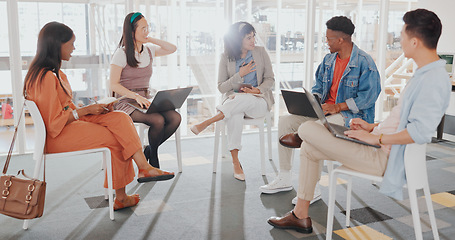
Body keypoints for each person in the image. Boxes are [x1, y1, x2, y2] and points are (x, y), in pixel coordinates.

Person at [268, 8, 450, 234]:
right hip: (379, 144)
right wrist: (372, 126)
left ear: (414, 42)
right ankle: (300, 216)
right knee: (308, 149)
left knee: (306, 129)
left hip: (382, 157)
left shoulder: (433, 80)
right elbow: (404, 121)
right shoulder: (425, 75)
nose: (398, 39)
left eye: (401, 34)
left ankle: (301, 137)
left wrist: (376, 138)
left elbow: (420, 133)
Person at [23, 22, 175, 211]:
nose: (74, 49)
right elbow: (54, 123)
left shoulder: (52, 73)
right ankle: (122, 195)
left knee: (119, 118)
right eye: (71, 44)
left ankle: (144, 167)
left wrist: (91, 108)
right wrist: (84, 111)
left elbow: (62, 108)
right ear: (57, 45)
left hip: (66, 125)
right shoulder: (45, 77)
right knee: (117, 138)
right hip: (55, 136)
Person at [260, 16, 381, 205]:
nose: (326, 43)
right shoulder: (328, 60)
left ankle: (313, 188)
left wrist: (338, 107)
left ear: (341, 40)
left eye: (329, 39)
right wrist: (312, 101)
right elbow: (318, 87)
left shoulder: (365, 62)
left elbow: (369, 97)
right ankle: (284, 177)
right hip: (325, 112)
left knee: (314, 129)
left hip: (350, 116)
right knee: (285, 121)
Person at [190, 21, 275, 181]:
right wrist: (240, 74)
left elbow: (270, 79)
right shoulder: (225, 57)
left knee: (240, 101)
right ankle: (236, 162)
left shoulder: (261, 52)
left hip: (258, 102)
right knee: (235, 113)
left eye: (253, 36)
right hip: (236, 102)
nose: (253, 40)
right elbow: (221, 87)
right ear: (238, 40)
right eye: (248, 37)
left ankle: (208, 121)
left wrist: (256, 90)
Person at [110, 12, 179, 169]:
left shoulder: (149, 50)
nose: (147, 31)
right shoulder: (121, 54)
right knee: (158, 120)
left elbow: (172, 48)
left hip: (145, 99)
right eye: (143, 28)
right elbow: (113, 85)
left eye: (148, 27)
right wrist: (134, 96)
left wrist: (149, 38)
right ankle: (153, 158)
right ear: (131, 31)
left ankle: (149, 149)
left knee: (175, 118)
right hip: (125, 101)